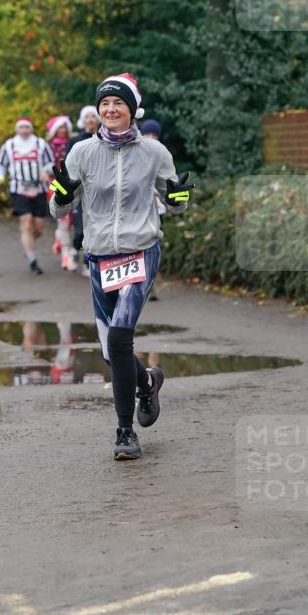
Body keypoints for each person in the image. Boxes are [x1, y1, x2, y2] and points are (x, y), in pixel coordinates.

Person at [50, 73, 194, 461]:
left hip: (139, 252)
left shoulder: (154, 153)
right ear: (98, 110)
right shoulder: (81, 152)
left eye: (118, 104)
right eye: (104, 104)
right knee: (113, 353)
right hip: (99, 259)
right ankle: (147, 383)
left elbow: (175, 204)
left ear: (132, 109)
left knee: (119, 338)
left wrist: (179, 194)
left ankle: (125, 432)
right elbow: (60, 209)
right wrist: (62, 194)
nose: (110, 110)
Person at [0, 117, 54, 275]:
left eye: (27, 127)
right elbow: (1, 164)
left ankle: (30, 243)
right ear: (17, 129)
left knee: (39, 227)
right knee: (26, 223)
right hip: (18, 188)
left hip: (38, 188)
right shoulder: (9, 145)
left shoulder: (41, 144)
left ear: (31, 129)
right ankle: (32, 259)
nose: (25, 131)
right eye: (21, 128)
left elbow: (50, 162)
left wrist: (46, 171)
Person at [67, 106, 100, 277]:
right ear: (82, 120)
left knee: (92, 228)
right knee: (80, 229)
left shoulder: (103, 139)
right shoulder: (75, 141)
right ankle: (74, 251)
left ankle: (88, 263)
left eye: (93, 116)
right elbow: (67, 165)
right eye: (87, 117)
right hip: (79, 190)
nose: (90, 120)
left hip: (97, 190)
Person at [46, 115, 78, 271]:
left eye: (65, 127)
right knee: (63, 219)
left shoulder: (73, 144)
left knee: (73, 221)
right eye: (60, 128)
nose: (63, 130)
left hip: (74, 184)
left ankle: (60, 239)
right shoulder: (48, 146)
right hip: (55, 184)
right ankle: (66, 253)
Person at [140, 120, 166, 301]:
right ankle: (140, 284)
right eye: (147, 134)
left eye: (154, 134)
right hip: (137, 208)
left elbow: (166, 180)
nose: (151, 137)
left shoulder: (162, 154)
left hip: (156, 208)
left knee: (153, 246)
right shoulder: (136, 152)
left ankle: (151, 284)